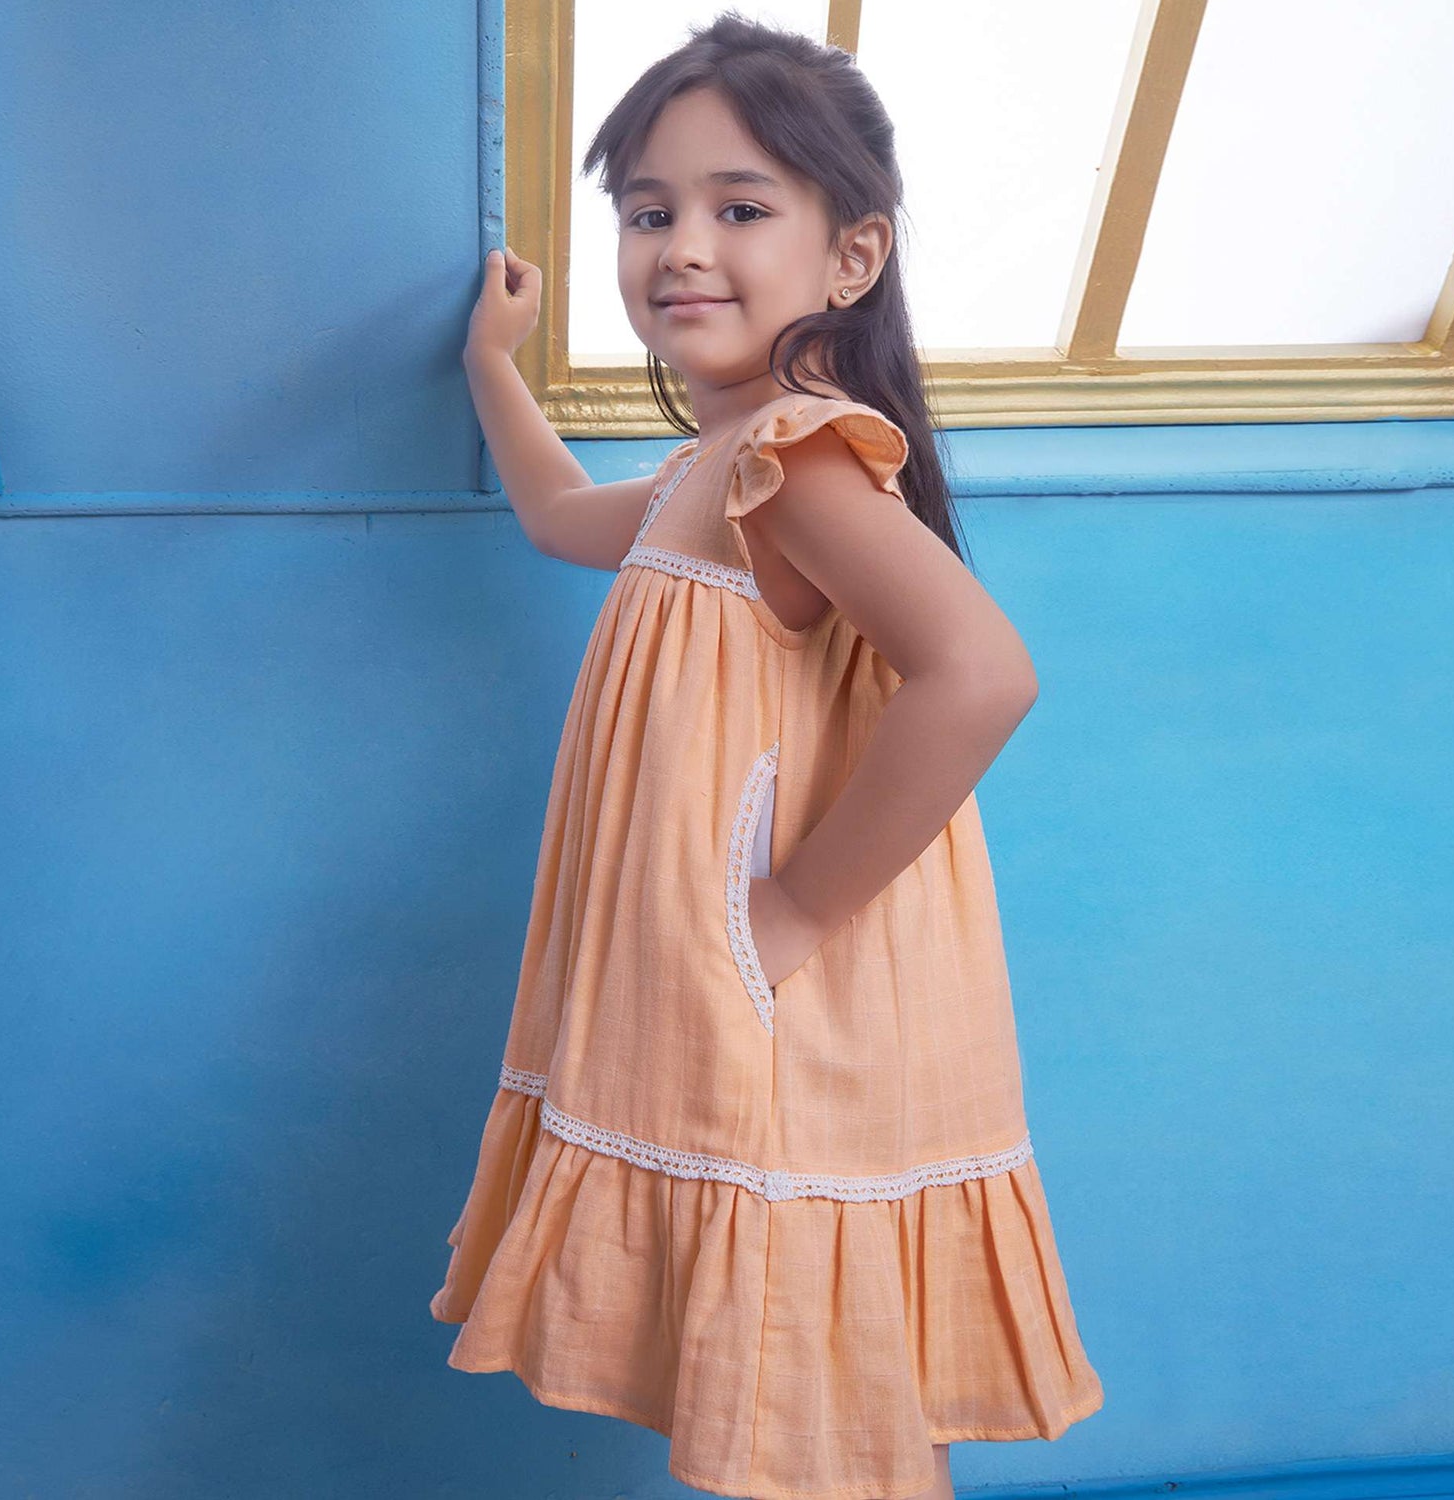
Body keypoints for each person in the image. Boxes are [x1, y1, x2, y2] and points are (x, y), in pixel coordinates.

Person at [430, 13, 1104, 1499]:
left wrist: (790, 911)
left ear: (849, 258)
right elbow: (553, 520)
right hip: (736, 1005)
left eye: (741, 209)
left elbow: (981, 673)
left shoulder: (794, 457)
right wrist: (493, 363)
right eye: (649, 211)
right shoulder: (706, 470)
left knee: (821, 1414)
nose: (683, 246)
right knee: (804, 1405)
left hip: (788, 1013)